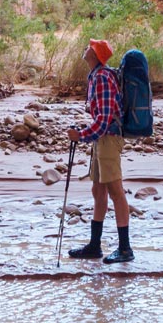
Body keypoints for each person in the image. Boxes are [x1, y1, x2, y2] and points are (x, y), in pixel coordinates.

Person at [66, 38, 133, 263]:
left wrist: (81, 135)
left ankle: (125, 249)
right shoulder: (97, 75)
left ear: (94, 54)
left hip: (108, 139)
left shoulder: (103, 78)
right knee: (98, 191)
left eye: (89, 46)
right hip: (102, 140)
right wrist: (87, 134)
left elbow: (104, 120)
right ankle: (95, 246)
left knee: (115, 191)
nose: (85, 48)